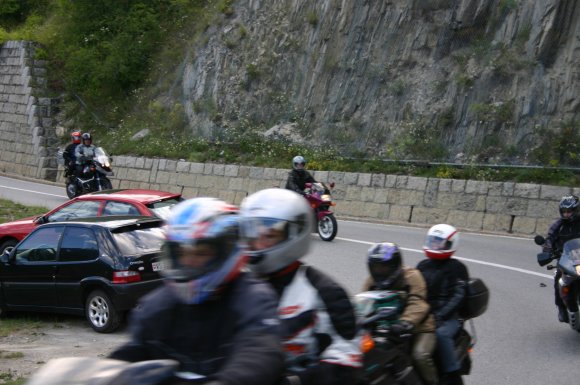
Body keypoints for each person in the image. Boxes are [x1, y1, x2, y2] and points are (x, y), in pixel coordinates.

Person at [108, 197, 285, 385]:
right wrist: (107, 374)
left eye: (201, 253)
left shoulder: (253, 298)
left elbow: (260, 353)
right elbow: (131, 353)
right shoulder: (157, 305)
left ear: (226, 250)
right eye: (181, 253)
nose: (188, 262)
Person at [239, 188, 362, 385]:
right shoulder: (236, 287)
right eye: (252, 233)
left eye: (269, 235)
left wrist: (298, 380)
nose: (258, 243)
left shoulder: (325, 291)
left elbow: (345, 359)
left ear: (295, 232)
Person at [362, 242, 438, 385]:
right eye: (376, 267)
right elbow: (363, 301)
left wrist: (405, 322)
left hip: (419, 328)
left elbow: (418, 302)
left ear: (395, 265)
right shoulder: (372, 281)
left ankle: (432, 382)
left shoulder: (412, 276)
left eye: (384, 267)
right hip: (386, 328)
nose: (380, 271)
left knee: (419, 355)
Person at [416, 224, 468, 385]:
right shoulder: (423, 265)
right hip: (424, 313)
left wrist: (441, 316)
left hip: (447, 317)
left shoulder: (457, 268)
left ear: (450, 243)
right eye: (432, 241)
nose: (435, 245)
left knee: (441, 334)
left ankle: (452, 374)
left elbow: (459, 296)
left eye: (439, 242)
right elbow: (413, 288)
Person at [542, 195, 580, 323]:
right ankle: (561, 308)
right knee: (558, 278)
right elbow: (549, 239)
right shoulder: (558, 226)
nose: (567, 214)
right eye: (564, 211)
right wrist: (547, 252)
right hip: (566, 259)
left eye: (569, 211)